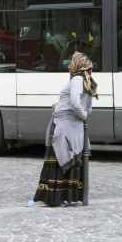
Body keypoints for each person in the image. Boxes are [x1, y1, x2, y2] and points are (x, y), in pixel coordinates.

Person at [27, 52, 98, 207]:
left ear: (78, 65)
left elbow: (74, 102)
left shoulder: (77, 79)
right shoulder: (87, 79)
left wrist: (79, 114)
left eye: (71, 62)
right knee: (69, 159)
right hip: (75, 126)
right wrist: (81, 115)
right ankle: (65, 196)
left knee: (55, 159)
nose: (69, 65)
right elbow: (88, 107)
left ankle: (48, 198)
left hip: (64, 126)